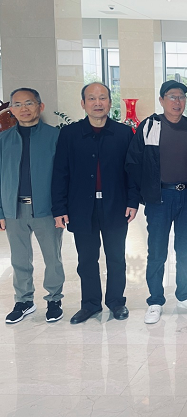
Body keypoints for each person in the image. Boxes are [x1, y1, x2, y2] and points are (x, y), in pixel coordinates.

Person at [52, 82, 138, 324]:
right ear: (83, 103)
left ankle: (116, 302)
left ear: (110, 102)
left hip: (115, 205)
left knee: (116, 258)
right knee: (87, 260)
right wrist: (59, 208)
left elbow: (132, 171)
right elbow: (60, 172)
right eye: (91, 98)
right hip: (81, 208)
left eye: (102, 98)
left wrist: (133, 201)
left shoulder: (123, 133)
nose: (97, 103)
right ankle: (90, 304)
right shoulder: (69, 134)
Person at [125, 80, 187, 324]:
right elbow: (133, 164)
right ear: (161, 100)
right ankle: (155, 300)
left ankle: (185, 295)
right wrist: (136, 198)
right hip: (160, 198)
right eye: (172, 96)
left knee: (186, 250)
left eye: (181, 96)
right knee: (157, 251)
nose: (177, 101)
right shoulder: (149, 126)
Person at [0, 88, 64, 324]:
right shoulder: (3, 139)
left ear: (40, 106)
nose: (23, 108)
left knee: (53, 258)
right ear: (11, 109)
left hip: (47, 209)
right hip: (13, 209)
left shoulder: (55, 137)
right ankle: (24, 301)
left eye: (29, 103)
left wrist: (62, 209)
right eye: (17, 104)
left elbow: (64, 176)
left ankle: (54, 300)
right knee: (19, 259)